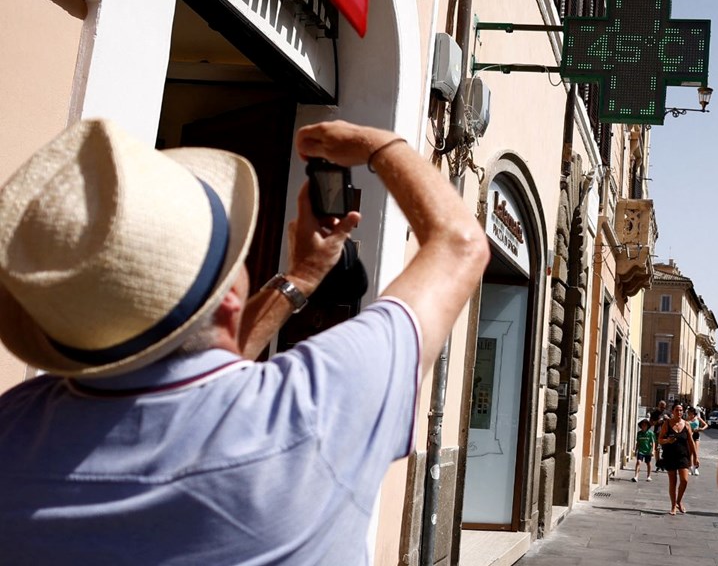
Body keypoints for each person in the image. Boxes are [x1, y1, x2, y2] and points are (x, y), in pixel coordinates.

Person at [0, 118, 490, 564]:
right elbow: (459, 244)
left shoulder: (13, 428)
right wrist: (380, 145)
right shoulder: (315, 410)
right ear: (231, 300)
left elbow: (209, 371)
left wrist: (302, 275)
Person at [659, 403, 699, 515]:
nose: (679, 412)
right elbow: (660, 439)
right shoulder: (667, 424)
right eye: (677, 410)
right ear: (673, 411)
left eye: (681, 410)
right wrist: (667, 441)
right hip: (670, 456)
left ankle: (679, 501)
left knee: (684, 480)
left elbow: (691, 442)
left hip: (683, 456)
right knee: (673, 482)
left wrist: (696, 457)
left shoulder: (686, 425)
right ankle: (673, 506)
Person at [684, 405, 708, 476]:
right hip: (689, 436)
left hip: (696, 435)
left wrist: (701, 429)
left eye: (689, 412)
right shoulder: (687, 419)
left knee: (695, 452)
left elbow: (705, 424)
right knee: (690, 452)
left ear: (692, 412)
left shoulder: (697, 418)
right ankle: (690, 467)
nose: (688, 413)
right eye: (688, 412)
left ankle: (696, 468)